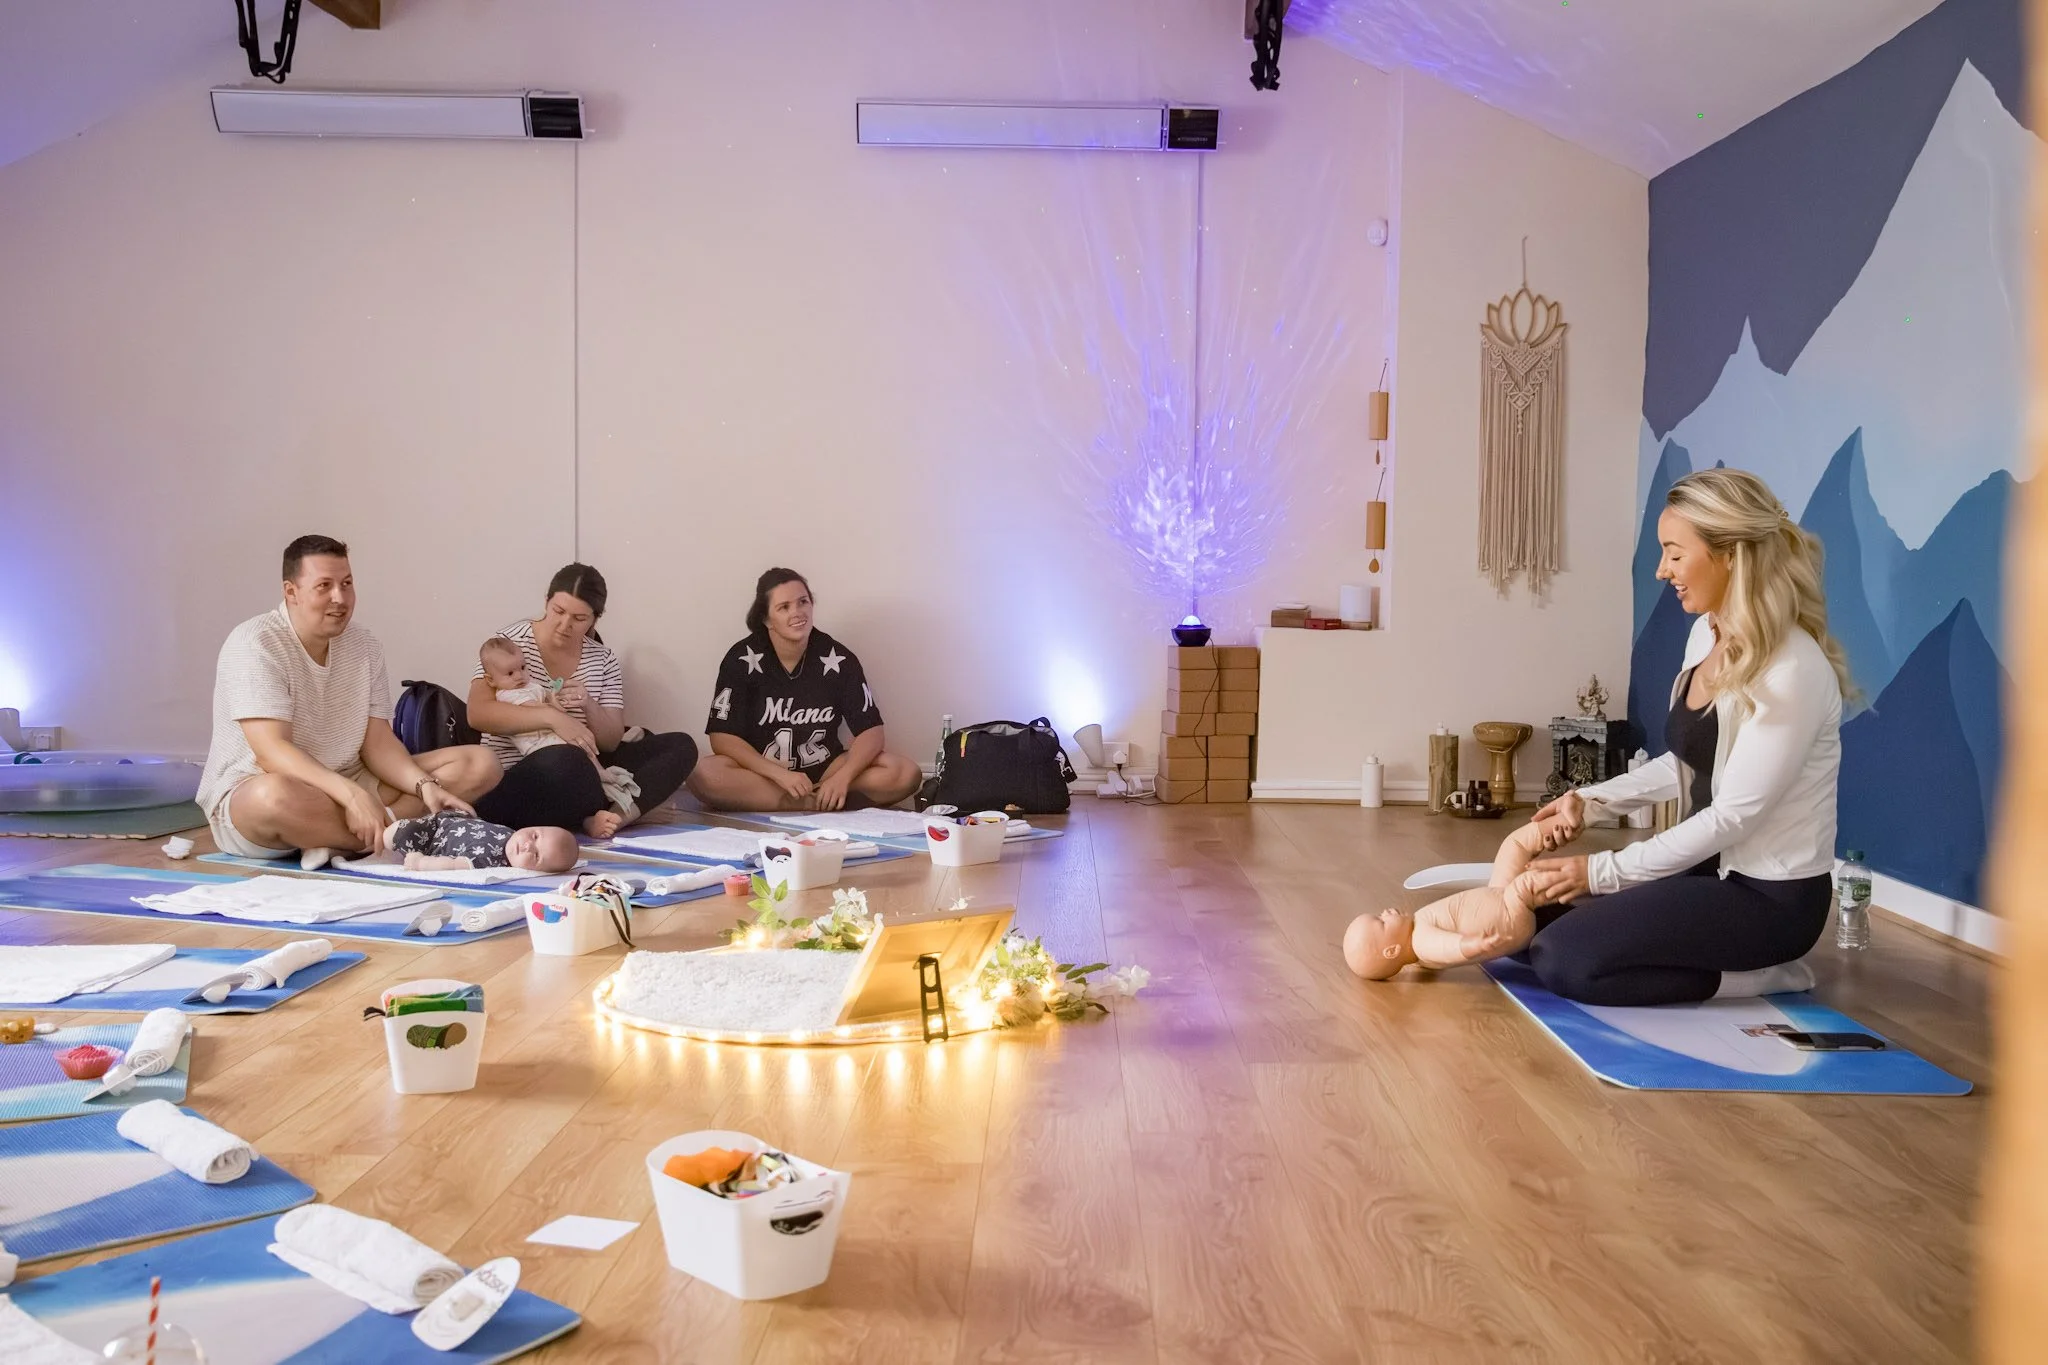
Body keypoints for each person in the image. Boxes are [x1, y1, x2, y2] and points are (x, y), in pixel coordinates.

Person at [1517, 468, 1852, 1006]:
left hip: (1768, 898)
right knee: (1527, 918)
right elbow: (1689, 759)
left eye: (1674, 553)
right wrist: (1592, 801)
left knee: (1566, 960)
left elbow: (1734, 815)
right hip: (1703, 870)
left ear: (1730, 554)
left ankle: (1767, 976)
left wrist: (1601, 871)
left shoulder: (1793, 669)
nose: (1661, 570)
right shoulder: (1707, 633)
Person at [197, 535, 501, 867]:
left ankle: (347, 840)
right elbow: (272, 753)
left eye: (347, 583)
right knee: (272, 797)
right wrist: (351, 796)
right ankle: (393, 836)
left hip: (351, 780)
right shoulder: (255, 643)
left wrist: (423, 785)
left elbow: (378, 744)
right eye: (324, 586)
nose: (339, 598)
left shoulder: (364, 644)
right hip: (267, 790)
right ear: (291, 592)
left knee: (480, 764)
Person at [467, 563, 698, 838]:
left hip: (587, 769)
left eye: (579, 618)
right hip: (527, 774)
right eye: (558, 611)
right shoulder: (508, 644)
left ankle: (615, 817)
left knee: (681, 745)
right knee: (567, 762)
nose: (565, 625)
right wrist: (553, 717)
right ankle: (631, 809)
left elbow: (610, 740)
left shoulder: (603, 659)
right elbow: (478, 713)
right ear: (546, 601)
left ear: (595, 620)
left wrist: (588, 704)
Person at [688, 568, 923, 812]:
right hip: (764, 775)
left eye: (803, 602)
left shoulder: (838, 658)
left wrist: (842, 778)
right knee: (703, 773)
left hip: (826, 769)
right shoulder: (741, 659)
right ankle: (817, 803)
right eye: (784, 607)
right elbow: (722, 737)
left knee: (905, 772)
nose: (797, 613)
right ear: (766, 618)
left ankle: (823, 795)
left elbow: (871, 731)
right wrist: (779, 775)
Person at [1343, 814, 1573, 979]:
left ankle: (1561, 821)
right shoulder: (1422, 943)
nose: (1385, 912)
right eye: (1381, 922)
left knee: (1513, 845)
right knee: (1528, 882)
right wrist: (1474, 945)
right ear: (1391, 950)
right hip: (1509, 917)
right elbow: (1450, 947)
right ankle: (1584, 878)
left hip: (1499, 895)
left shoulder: (1420, 953)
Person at [385, 810, 579, 873]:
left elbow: (452, 865)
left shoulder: (489, 862)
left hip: (428, 840)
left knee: (396, 832)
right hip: (446, 819)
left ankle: (376, 838)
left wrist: (420, 863)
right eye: (535, 836)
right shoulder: (511, 834)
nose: (528, 845)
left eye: (536, 856)